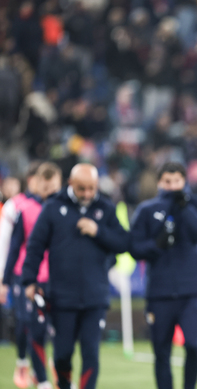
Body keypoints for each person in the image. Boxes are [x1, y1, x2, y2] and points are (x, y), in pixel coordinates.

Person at [21, 163, 130, 389]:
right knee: (62, 354)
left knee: (91, 353)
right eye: (81, 189)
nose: (87, 194)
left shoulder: (106, 209)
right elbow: (35, 247)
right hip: (62, 296)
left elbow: (123, 243)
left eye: (92, 188)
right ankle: (64, 384)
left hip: (95, 297)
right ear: (70, 184)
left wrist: (98, 231)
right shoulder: (53, 207)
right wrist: (29, 280)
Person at [130, 162, 197, 389]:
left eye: (177, 181)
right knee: (161, 351)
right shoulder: (147, 210)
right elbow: (134, 248)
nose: (172, 186)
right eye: (167, 181)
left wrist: (185, 208)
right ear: (159, 182)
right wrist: (156, 245)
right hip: (159, 292)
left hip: (190, 291)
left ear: (184, 181)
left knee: (193, 346)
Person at [3, 162, 62, 389]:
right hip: (29, 278)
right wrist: (5, 280)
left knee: (58, 329)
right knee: (28, 326)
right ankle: (34, 373)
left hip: (57, 278)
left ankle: (57, 373)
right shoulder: (22, 208)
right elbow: (12, 246)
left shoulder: (64, 209)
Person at [0, 163, 40, 388]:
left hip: (45, 273)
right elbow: (5, 243)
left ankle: (39, 366)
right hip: (21, 272)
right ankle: (23, 362)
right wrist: (3, 278)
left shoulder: (51, 205)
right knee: (24, 320)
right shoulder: (15, 206)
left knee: (43, 323)